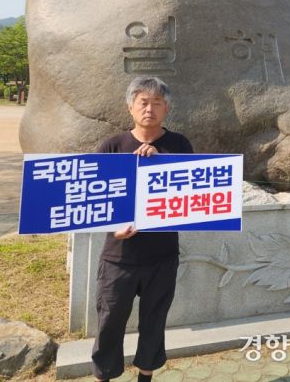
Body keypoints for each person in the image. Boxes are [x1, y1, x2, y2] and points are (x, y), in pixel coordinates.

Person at [91, 76, 193, 382]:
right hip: (118, 257)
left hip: (162, 256)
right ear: (130, 107)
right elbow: (96, 198)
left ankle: (145, 377)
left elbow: (189, 193)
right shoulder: (112, 146)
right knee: (109, 322)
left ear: (167, 108)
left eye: (157, 103)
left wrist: (161, 162)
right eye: (143, 102)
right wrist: (113, 230)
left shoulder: (179, 145)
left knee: (154, 321)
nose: (149, 109)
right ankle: (103, 376)